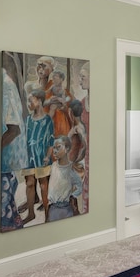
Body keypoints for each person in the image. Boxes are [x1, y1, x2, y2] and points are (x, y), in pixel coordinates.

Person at [21, 89, 54, 224]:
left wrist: (47, 156)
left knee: (43, 186)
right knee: (29, 183)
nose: (29, 104)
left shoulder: (47, 120)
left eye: (31, 101)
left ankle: (47, 214)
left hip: (42, 158)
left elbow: (51, 141)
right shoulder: (27, 120)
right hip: (29, 158)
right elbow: (24, 139)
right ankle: (30, 213)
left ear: (39, 101)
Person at [0, 68, 28, 231]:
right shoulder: (5, 83)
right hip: (6, 165)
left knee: (4, 214)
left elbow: (13, 129)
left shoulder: (6, 86)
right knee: (7, 211)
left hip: (5, 162)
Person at [47, 135, 83, 221]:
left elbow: (79, 185)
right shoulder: (53, 166)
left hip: (65, 208)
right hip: (52, 207)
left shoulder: (70, 169)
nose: (54, 151)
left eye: (58, 147)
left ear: (67, 148)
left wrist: (73, 196)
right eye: (54, 148)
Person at [44, 69, 72, 136]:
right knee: (52, 107)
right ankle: (49, 121)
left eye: (56, 77)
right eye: (53, 77)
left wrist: (62, 101)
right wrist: (50, 99)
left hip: (60, 106)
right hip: (53, 102)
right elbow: (46, 93)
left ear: (61, 79)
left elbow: (66, 99)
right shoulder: (52, 87)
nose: (54, 78)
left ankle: (49, 121)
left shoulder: (63, 89)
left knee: (54, 107)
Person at [78, 61, 90, 213]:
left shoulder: (103, 102)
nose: (80, 81)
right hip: (88, 151)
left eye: (83, 77)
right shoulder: (82, 104)